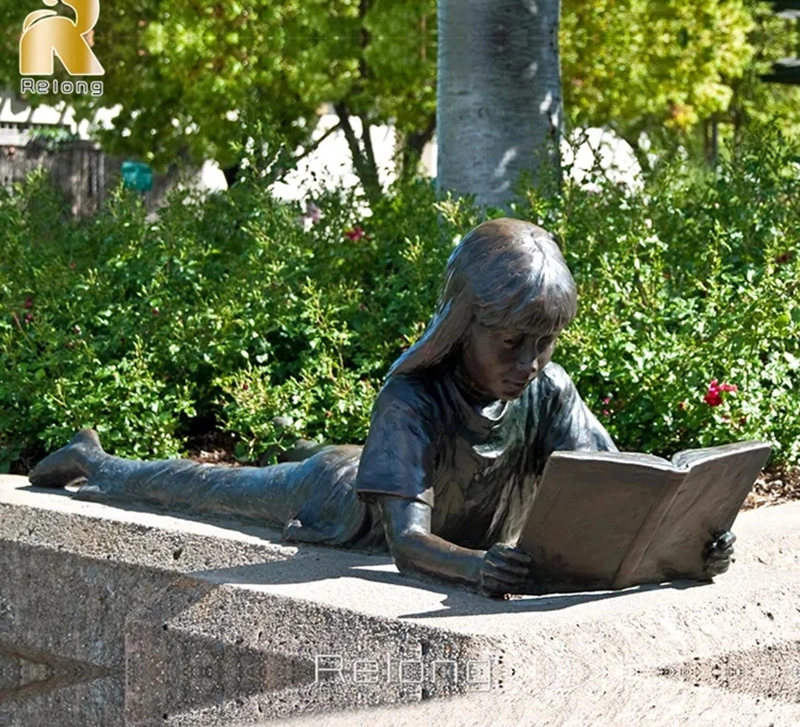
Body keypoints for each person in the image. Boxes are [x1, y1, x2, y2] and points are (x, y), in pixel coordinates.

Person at [29, 218, 734, 596]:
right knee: (207, 486)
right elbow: (406, 544)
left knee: (329, 451)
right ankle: (95, 458)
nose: (532, 363)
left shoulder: (549, 390)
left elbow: (620, 485)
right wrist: (474, 568)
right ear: (464, 325)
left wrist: (689, 543)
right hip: (341, 499)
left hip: (383, 471)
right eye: (515, 343)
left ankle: (302, 439)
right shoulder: (412, 397)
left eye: (546, 344)